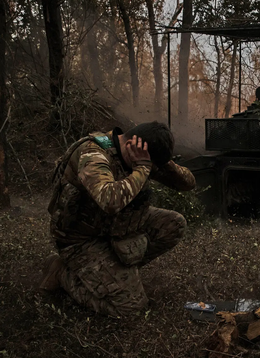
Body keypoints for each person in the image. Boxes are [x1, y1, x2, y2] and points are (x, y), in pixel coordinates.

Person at [40, 121, 196, 317]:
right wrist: (141, 169)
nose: (149, 169)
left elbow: (188, 183)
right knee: (130, 309)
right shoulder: (92, 155)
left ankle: (115, 274)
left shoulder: (139, 155)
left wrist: (162, 162)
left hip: (114, 227)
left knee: (174, 223)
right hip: (80, 239)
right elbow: (109, 200)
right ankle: (61, 272)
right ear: (132, 146)